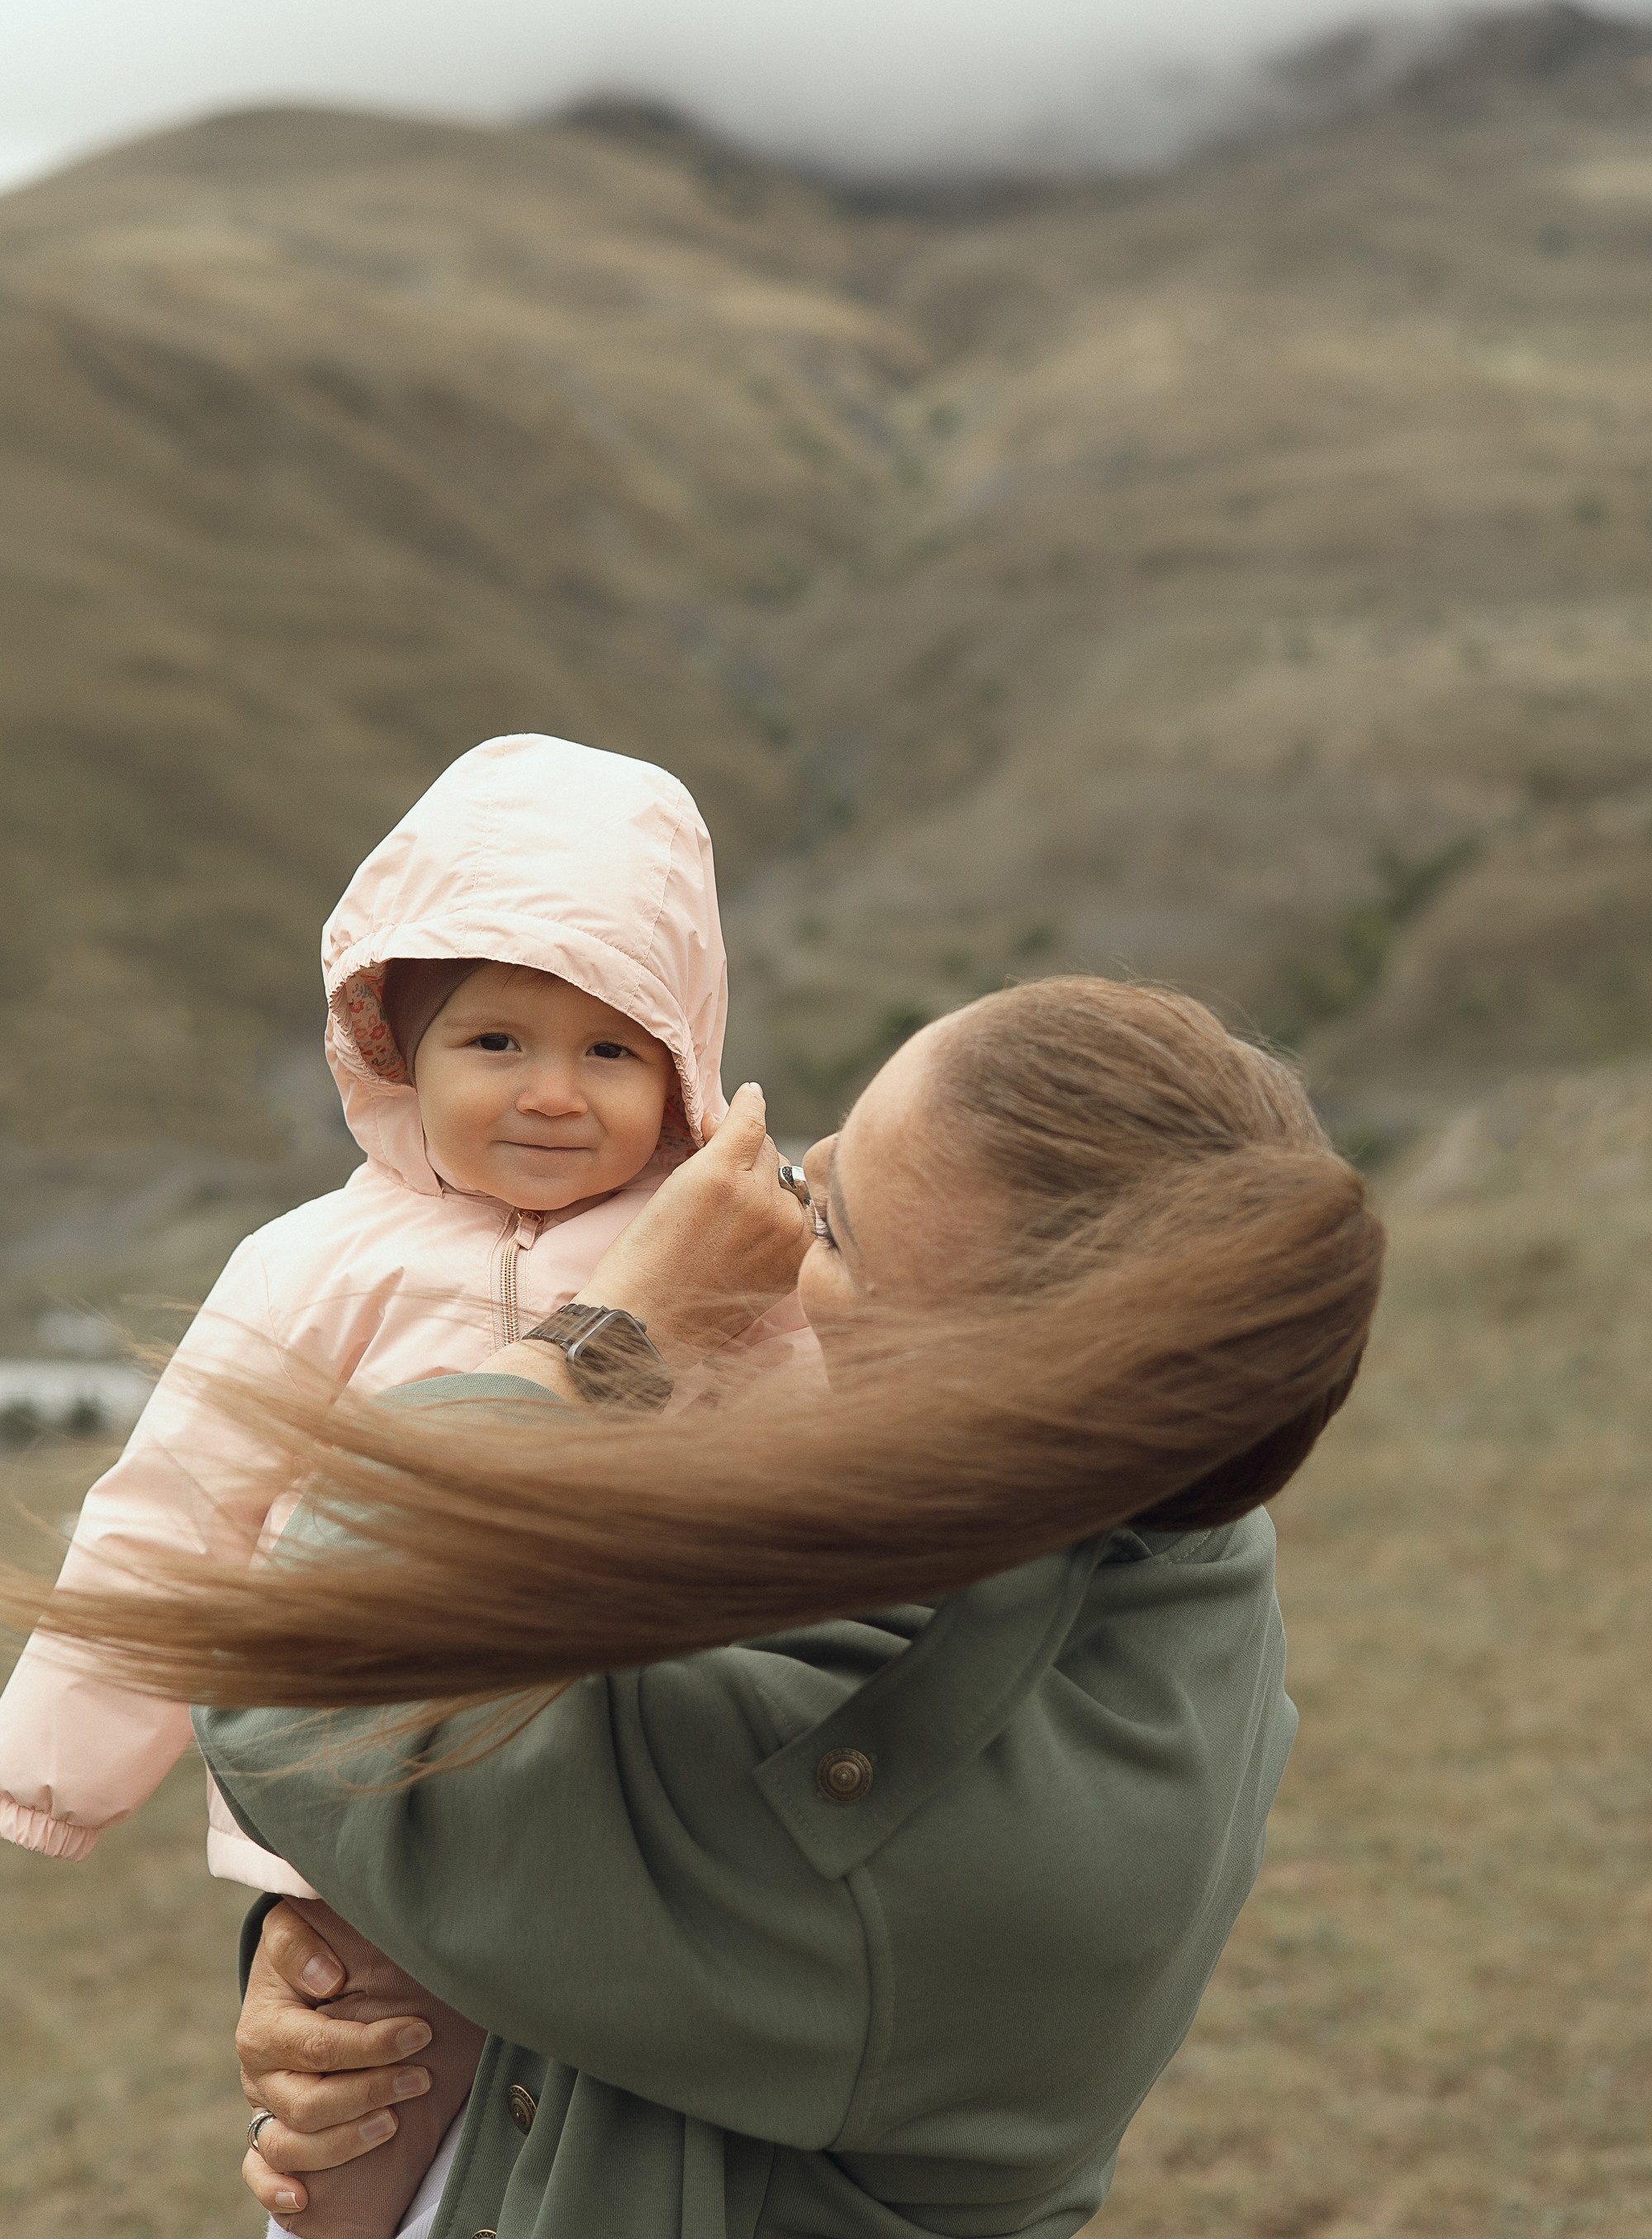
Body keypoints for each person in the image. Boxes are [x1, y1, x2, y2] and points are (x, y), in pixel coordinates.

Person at [16, 978, 1384, 2239]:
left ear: (981, 1387)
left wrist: (618, 1334)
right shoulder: (1178, 1503)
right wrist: (349, 1965)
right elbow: (606, 1909)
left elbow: (309, 1661)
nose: (776, 1222)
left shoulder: (898, 1823)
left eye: (830, 1225)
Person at [0, 729, 800, 2236]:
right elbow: (180, 1509)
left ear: (683, 1063)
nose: (554, 1093)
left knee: (607, 2146)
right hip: (370, 1823)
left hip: (634, 1812)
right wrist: (53, 1760)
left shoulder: (728, 1261)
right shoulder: (308, 1266)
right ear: (396, 1051)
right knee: (339, 2150)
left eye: (612, 1049)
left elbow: (817, 1498)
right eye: (497, 1042)